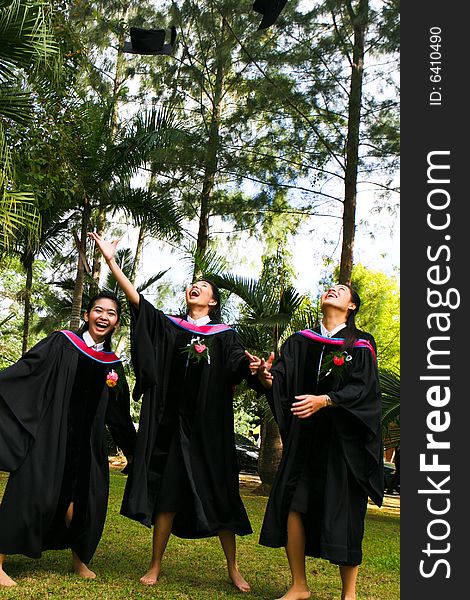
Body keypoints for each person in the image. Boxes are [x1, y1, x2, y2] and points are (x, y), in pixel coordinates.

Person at [89, 232, 262, 592]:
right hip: (172, 424)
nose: (194, 288)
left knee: (220, 492)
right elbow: (139, 304)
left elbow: (236, 367)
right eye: (192, 285)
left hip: (209, 429)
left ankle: (233, 568)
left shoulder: (225, 335)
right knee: (167, 495)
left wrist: (256, 370)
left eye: (202, 286)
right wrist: (111, 263)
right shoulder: (171, 325)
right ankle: (155, 565)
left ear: (213, 301)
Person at [256, 284, 384, 600]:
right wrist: (266, 376)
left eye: (340, 290)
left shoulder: (361, 343)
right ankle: (299, 585)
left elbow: (364, 388)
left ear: (352, 306)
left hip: (344, 444)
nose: (331, 291)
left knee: (347, 514)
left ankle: (348, 594)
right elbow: (281, 381)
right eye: (329, 288)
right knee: (294, 506)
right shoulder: (301, 341)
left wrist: (326, 400)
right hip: (307, 441)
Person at [0, 291, 136, 587]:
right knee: (29, 494)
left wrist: (136, 453)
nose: (103, 316)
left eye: (110, 313)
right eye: (98, 310)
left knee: (85, 502)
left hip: (87, 446)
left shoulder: (112, 365)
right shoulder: (62, 343)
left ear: (115, 324)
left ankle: (79, 560)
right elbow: (29, 369)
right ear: (87, 315)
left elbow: (119, 414)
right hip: (50, 436)